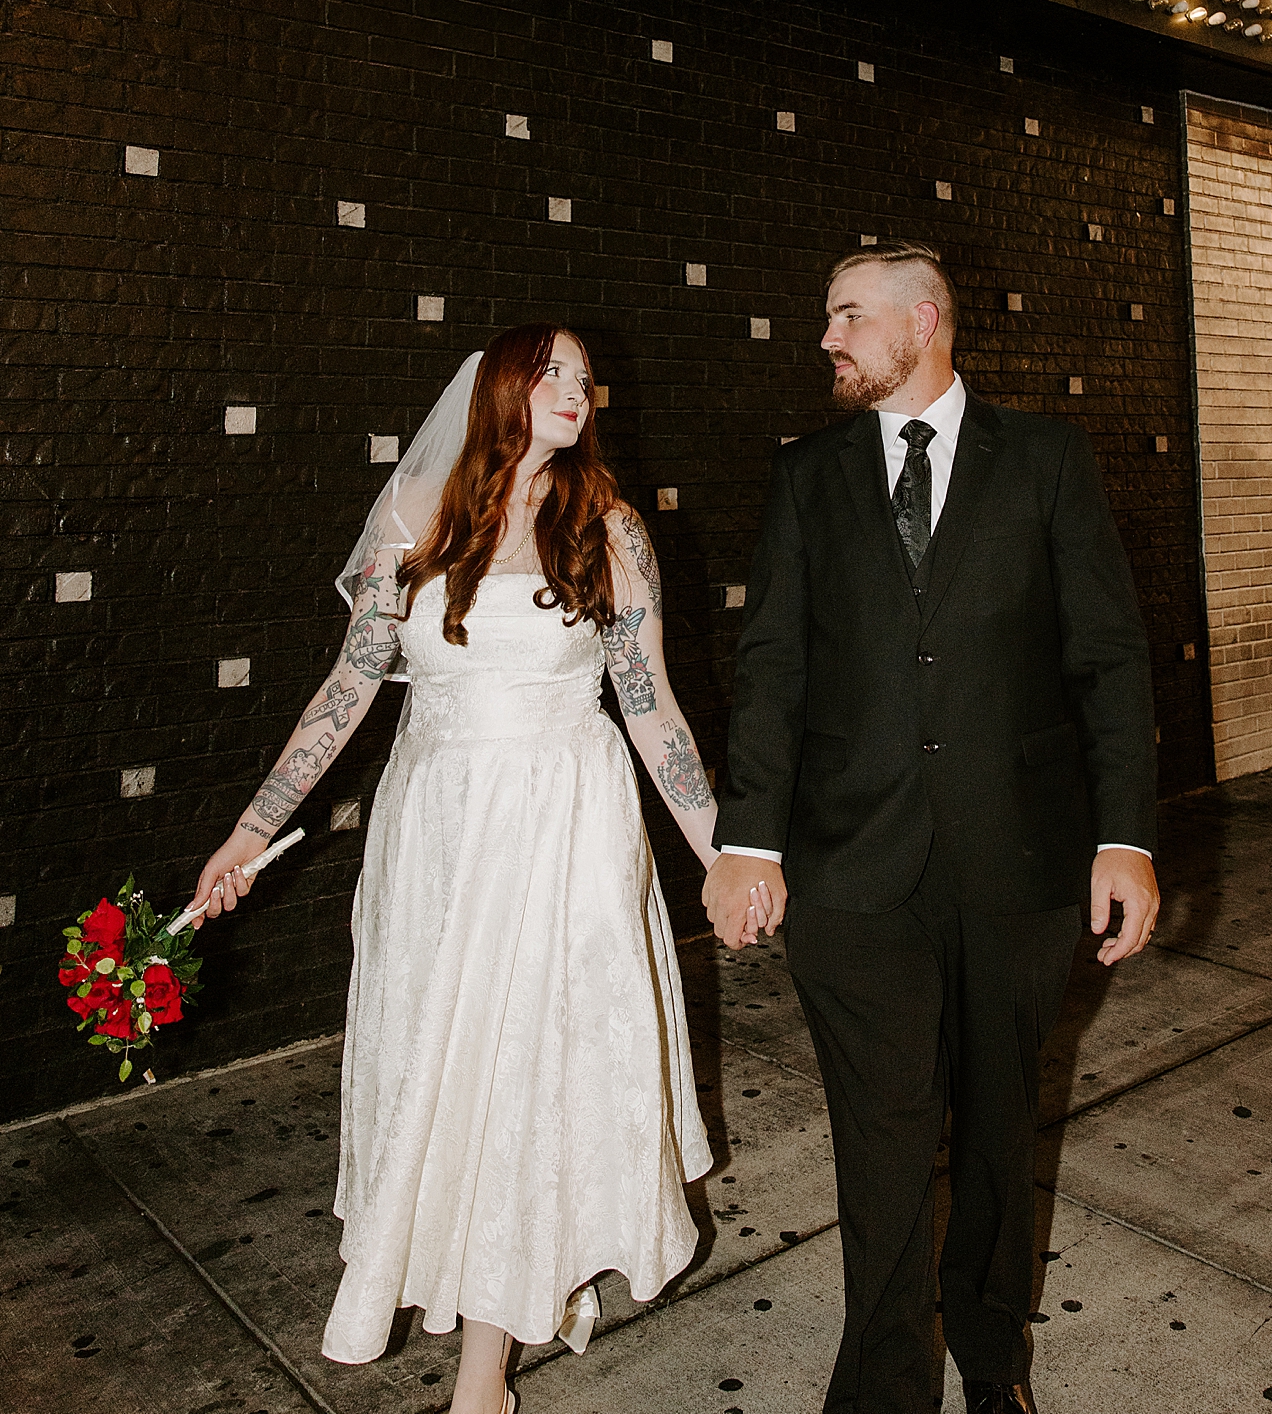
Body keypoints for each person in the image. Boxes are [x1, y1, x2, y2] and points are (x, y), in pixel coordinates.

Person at [193, 325, 764, 1414]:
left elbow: (652, 711)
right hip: (438, 838)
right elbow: (343, 696)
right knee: (442, 1074)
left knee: (527, 1080)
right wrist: (248, 831)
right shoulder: (415, 524)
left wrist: (719, 855)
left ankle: (482, 1378)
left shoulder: (610, 527)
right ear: (498, 390)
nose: (575, 389)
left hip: (566, 833)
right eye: (549, 371)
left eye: (584, 375)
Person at [704, 243, 1159, 1414]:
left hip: (1020, 861)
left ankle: (994, 1357)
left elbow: (1107, 659)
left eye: (847, 315)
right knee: (885, 1143)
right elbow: (773, 669)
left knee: (1001, 1127)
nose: (827, 339)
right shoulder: (809, 476)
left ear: (924, 319)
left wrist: (1127, 836)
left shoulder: (1047, 459)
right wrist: (747, 839)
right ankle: (884, 1387)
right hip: (852, 871)